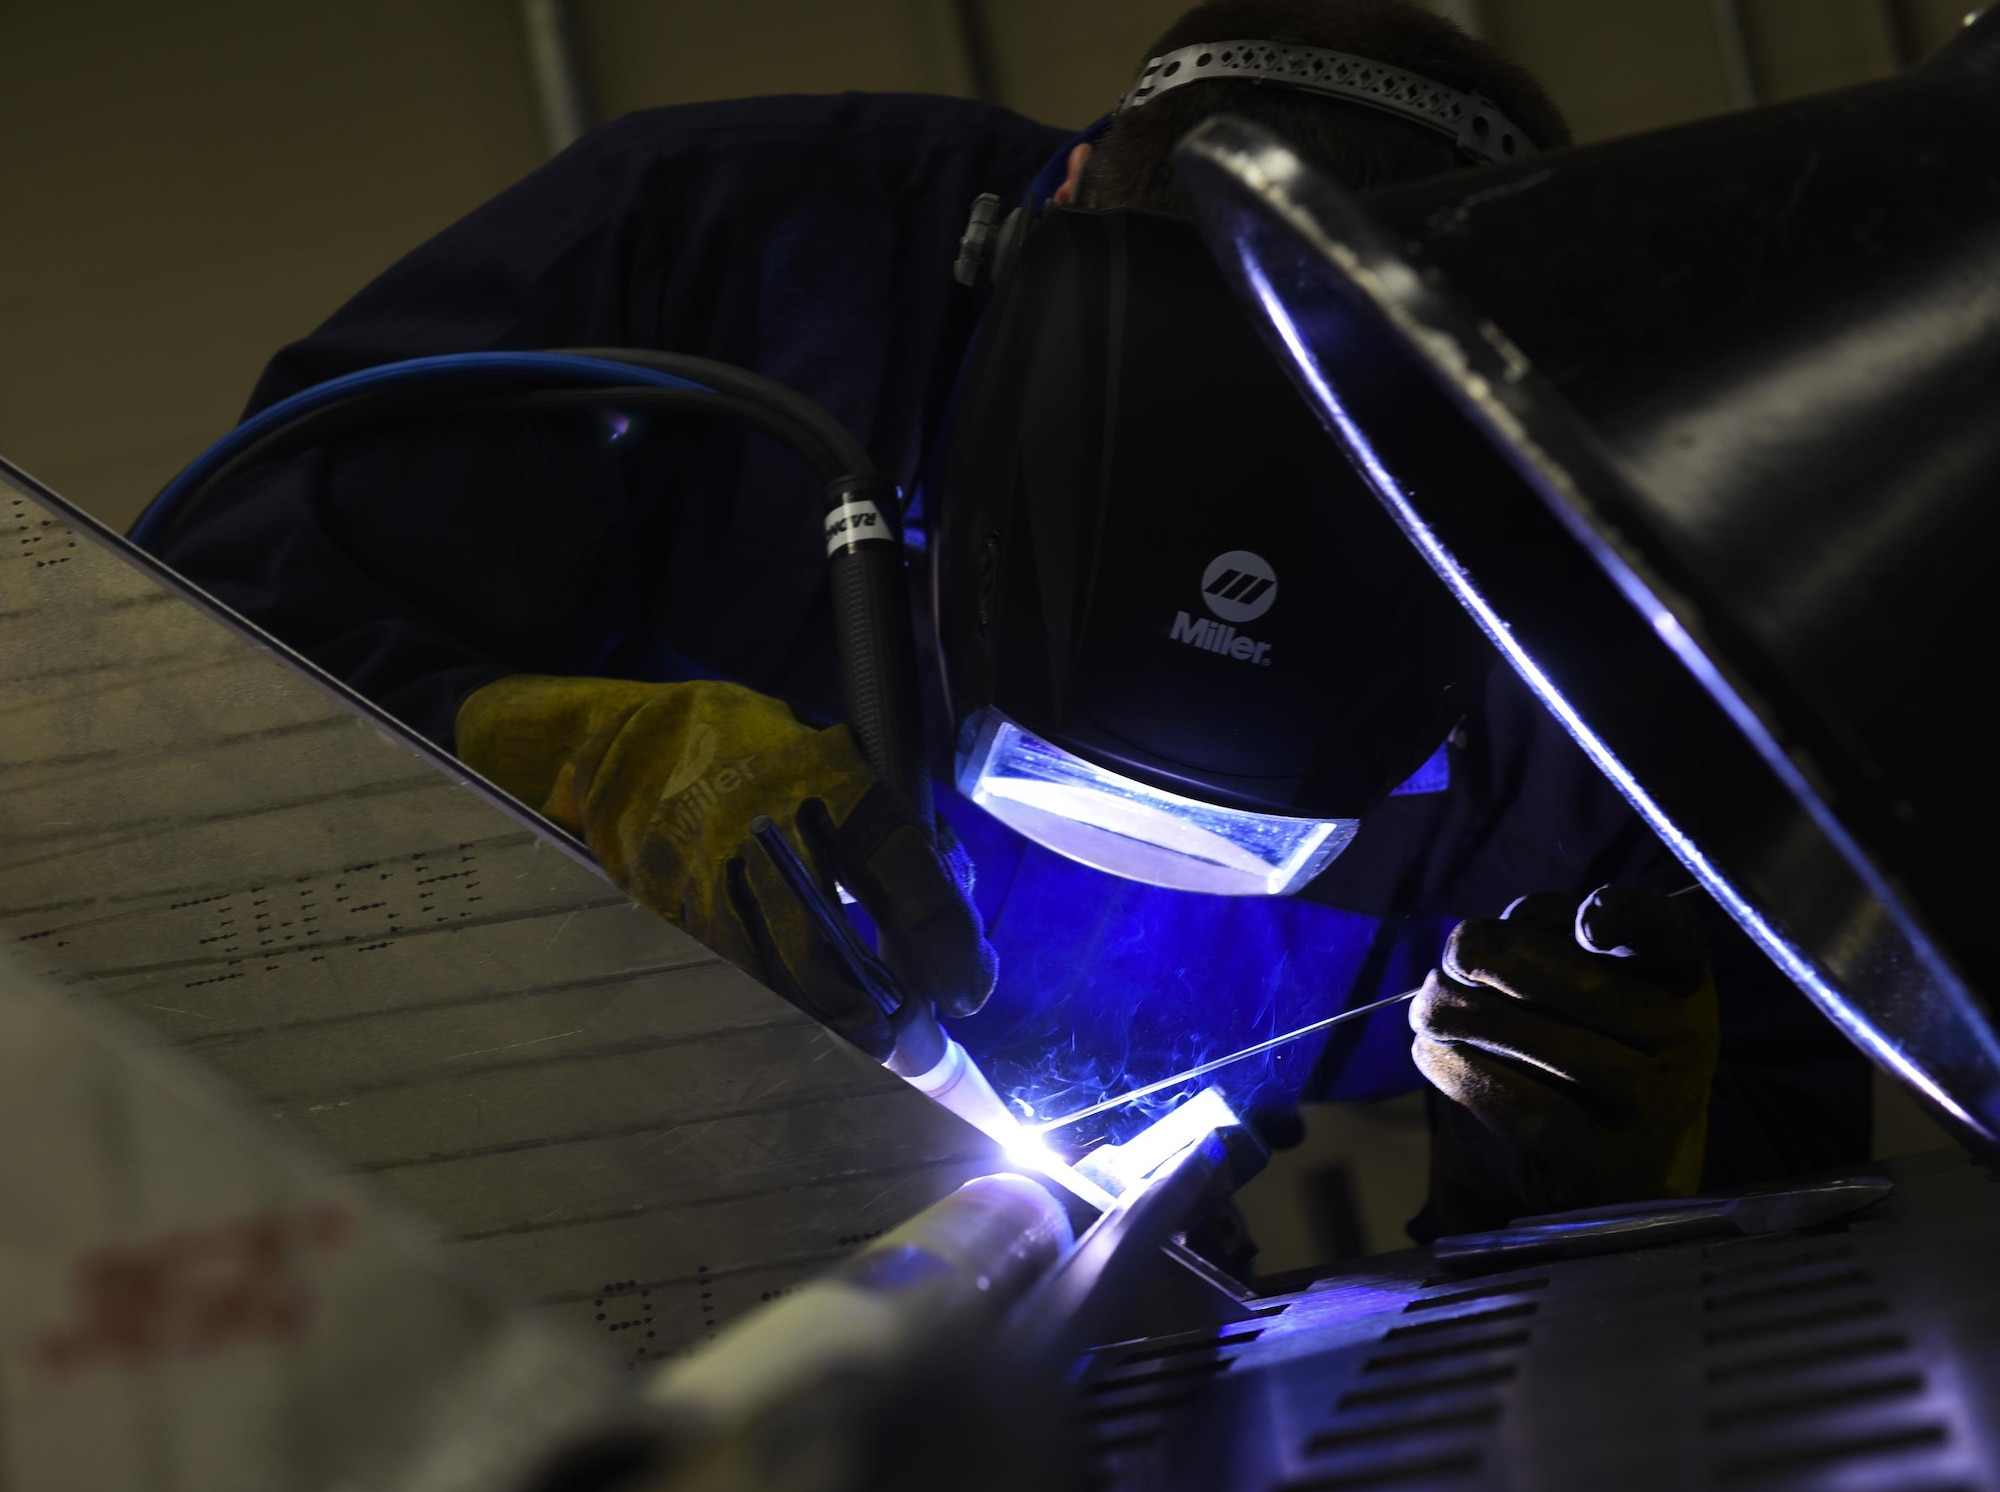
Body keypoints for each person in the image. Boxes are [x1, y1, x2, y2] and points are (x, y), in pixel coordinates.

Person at [148, 0, 1871, 1239]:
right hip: (509, 1174)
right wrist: (572, 760)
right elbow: (179, 649)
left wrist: (1600, 1146)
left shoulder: (1613, 592)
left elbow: (1778, 1129)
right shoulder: (721, 255)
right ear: (1030, 254)